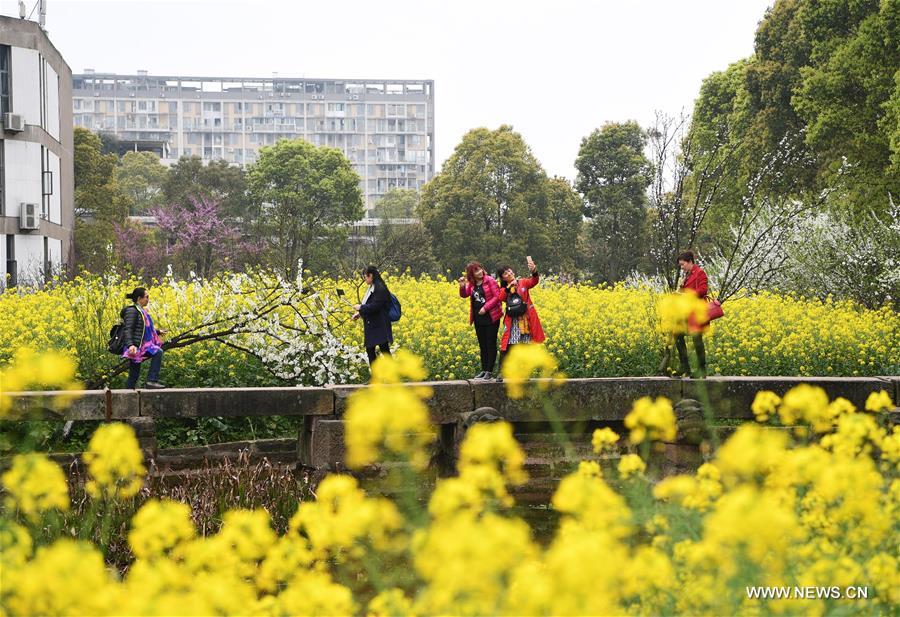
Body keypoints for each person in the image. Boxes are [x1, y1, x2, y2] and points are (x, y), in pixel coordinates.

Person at [496, 256, 546, 381]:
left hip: (526, 321)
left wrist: (534, 271)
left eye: (510, 270)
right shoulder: (504, 288)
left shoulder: (523, 282)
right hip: (512, 321)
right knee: (507, 347)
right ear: (503, 278)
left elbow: (534, 281)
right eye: (506, 273)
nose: (510, 273)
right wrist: (509, 288)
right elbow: (501, 297)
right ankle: (502, 372)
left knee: (525, 346)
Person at [458, 262, 502, 380]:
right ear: (471, 274)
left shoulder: (490, 280)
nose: (479, 272)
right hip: (478, 319)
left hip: (491, 317)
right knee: (482, 345)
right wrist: (462, 286)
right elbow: (465, 295)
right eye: (476, 271)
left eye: (480, 269)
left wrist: (485, 307)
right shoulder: (472, 284)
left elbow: (498, 296)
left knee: (490, 344)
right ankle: (483, 370)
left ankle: (489, 371)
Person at [121, 287, 166, 389]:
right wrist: (130, 345)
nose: (148, 299)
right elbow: (128, 329)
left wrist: (158, 332)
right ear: (139, 298)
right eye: (146, 297)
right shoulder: (132, 311)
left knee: (134, 375)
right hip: (136, 346)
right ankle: (150, 382)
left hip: (142, 345)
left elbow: (143, 328)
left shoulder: (142, 311)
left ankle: (128, 393)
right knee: (134, 374)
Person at [675, 250, 708, 378]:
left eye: (683, 265)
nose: (682, 268)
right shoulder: (687, 275)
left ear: (690, 262)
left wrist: (687, 294)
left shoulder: (700, 273)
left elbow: (703, 290)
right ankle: (685, 367)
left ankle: (701, 370)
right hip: (687, 312)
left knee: (697, 340)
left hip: (697, 312)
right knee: (677, 334)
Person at [352, 265, 393, 366]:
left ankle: (393, 376)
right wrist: (360, 313)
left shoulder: (380, 288)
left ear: (371, 276)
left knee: (384, 350)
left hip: (380, 325)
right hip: (373, 324)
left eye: (365, 277)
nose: (364, 279)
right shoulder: (373, 287)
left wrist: (361, 308)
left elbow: (375, 306)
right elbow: (370, 305)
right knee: (371, 350)